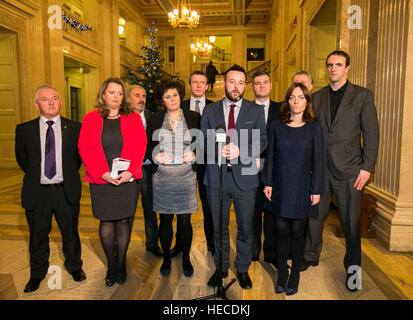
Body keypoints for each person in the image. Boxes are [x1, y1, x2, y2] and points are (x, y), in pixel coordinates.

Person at [302, 50, 379, 292]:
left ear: (347, 68)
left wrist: (367, 167)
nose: (333, 69)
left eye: (338, 65)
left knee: (351, 223)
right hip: (321, 169)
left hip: (350, 171)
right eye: (329, 65)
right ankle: (310, 256)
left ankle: (353, 270)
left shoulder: (363, 96)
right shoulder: (316, 97)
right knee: (314, 216)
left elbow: (372, 133)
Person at [201, 64, 267, 290]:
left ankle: (242, 268)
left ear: (245, 85)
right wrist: (215, 148)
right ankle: (220, 268)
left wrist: (242, 151)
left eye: (240, 82)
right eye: (232, 81)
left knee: (246, 227)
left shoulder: (255, 111)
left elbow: (263, 141)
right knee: (219, 227)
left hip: (246, 178)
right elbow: (201, 141)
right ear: (223, 83)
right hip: (216, 179)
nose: (236, 86)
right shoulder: (210, 111)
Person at [15, 85, 85, 293]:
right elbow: (23, 159)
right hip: (38, 193)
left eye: (55, 98)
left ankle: (75, 267)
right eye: (46, 99)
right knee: (37, 236)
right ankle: (37, 274)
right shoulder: (24, 129)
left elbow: (77, 159)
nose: (52, 102)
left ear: (60, 102)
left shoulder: (74, 128)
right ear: (37, 104)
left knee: (70, 233)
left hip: (65, 191)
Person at [78, 78, 146, 287]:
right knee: (106, 222)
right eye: (111, 92)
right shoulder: (90, 118)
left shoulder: (132, 117)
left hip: (126, 179)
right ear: (103, 95)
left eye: (119, 93)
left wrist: (131, 172)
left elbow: (140, 145)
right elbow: (84, 148)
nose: (115, 97)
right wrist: (101, 173)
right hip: (101, 180)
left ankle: (121, 263)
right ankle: (111, 264)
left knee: (124, 222)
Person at [262, 82, 324, 295]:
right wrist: (268, 182)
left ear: (307, 101)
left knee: (298, 233)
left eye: (301, 97)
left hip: (302, 188)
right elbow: (270, 158)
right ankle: (282, 275)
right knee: (280, 232)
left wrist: (316, 189)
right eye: (292, 97)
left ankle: (295, 275)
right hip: (279, 186)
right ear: (287, 101)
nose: (296, 101)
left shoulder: (314, 127)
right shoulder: (277, 126)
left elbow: (318, 161)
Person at [146, 79, 200, 277]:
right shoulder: (155, 118)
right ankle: (167, 259)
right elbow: (146, 144)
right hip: (162, 179)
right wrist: (155, 155)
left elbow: (203, 142)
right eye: (167, 96)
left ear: (180, 95)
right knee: (165, 221)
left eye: (175, 95)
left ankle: (186, 258)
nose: (172, 99)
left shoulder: (194, 117)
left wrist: (195, 153)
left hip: (186, 178)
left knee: (185, 223)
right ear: (163, 100)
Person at [168, 71, 214, 258]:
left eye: (202, 82)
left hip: (206, 164)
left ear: (207, 86)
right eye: (194, 82)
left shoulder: (215, 107)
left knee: (209, 205)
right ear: (189, 85)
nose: (198, 86)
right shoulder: (179, 105)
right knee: (181, 207)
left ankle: (211, 244)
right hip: (182, 165)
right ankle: (180, 243)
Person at [251, 70, 282, 266]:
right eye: (257, 83)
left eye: (265, 82)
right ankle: (253, 251)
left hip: (275, 171)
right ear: (252, 87)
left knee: (271, 213)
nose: (261, 86)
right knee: (252, 213)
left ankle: (271, 252)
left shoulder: (282, 109)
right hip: (250, 169)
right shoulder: (244, 109)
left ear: (271, 85)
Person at [128, 85, 162, 257]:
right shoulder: (122, 118)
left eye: (143, 96)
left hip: (149, 170)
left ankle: (152, 243)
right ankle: (123, 245)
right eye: (137, 95)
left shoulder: (153, 118)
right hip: (129, 172)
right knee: (128, 210)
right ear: (129, 98)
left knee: (151, 208)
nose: (141, 99)